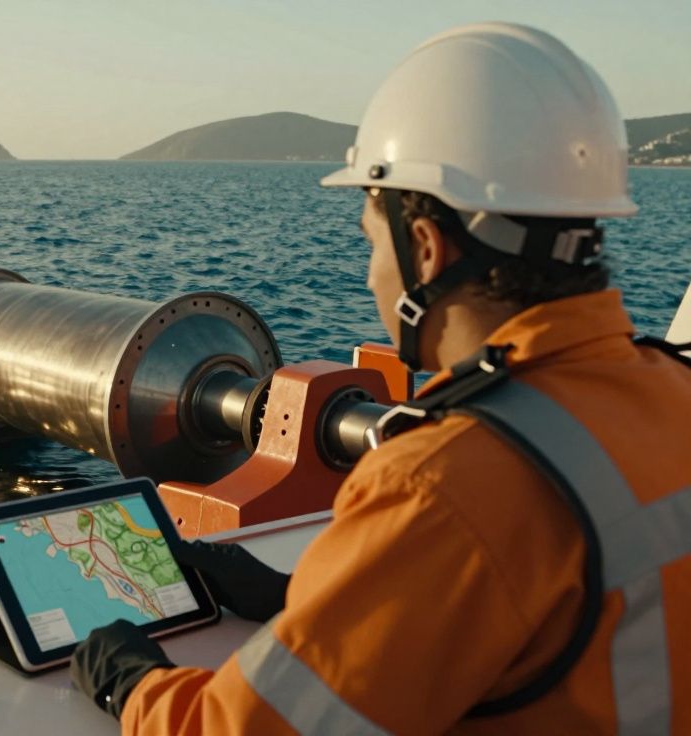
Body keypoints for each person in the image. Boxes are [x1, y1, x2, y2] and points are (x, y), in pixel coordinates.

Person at [70, 22, 691, 734]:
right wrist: (299, 597)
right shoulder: (672, 391)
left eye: (372, 242)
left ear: (425, 249)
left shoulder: (446, 482)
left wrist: (132, 682)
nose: (370, 273)